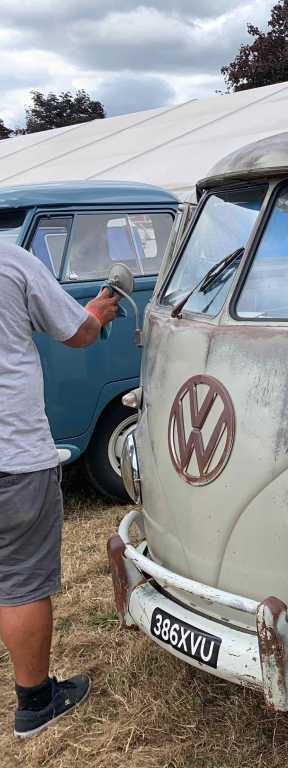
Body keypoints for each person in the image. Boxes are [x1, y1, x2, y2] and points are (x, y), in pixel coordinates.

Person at [0, 239, 121, 738]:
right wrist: (97, 309)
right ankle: (36, 702)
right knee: (21, 581)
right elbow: (79, 333)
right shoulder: (11, 262)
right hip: (11, 453)